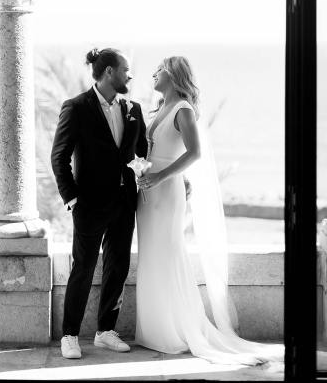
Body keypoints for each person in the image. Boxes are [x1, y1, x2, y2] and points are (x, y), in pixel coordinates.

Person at [135, 56, 284, 365]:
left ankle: (176, 331)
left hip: (166, 192)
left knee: (168, 254)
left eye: (159, 69)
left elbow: (195, 153)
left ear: (173, 74)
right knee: (152, 256)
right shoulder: (161, 106)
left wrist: (162, 176)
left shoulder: (183, 109)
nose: (153, 74)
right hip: (149, 193)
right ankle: (155, 328)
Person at [51, 47, 147, 359]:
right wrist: (73, 199)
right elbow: (59, 157)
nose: (130, 76)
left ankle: (106, 331)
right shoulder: (76, 107)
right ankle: (69, 335)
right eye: (125, 70)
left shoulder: (134, 108)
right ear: (109, 72)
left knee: (117, 267)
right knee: (84, 269)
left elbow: (143, 151)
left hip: (124, 202)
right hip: (89, 205)